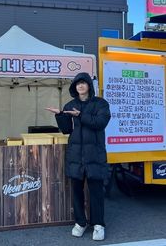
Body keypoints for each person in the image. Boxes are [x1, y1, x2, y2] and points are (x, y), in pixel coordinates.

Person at [46, 72, 111, 241]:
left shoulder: (100, 104)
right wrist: (60, 114)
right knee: (77, 191)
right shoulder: (70, 104)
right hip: (76, 155)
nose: (80, 86)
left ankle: (98, 225)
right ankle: (80, 223)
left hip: (94, 155)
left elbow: (100, 123)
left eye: (83, 83)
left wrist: (80, 115)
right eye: (77, 84)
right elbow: (67, 129)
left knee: (96, 191)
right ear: (74, 87)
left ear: (89, 85)